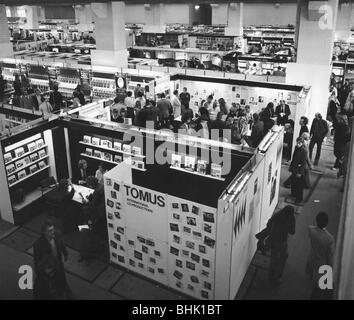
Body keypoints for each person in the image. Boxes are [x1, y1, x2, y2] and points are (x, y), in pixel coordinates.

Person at [33, 219, 70, 300]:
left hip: (58, 264)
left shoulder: (57, 234)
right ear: (44, 233)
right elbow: (36, 260)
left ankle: (63, 292)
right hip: (48, 269)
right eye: (50, 231)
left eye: (53, 229)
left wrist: (65, 253)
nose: (53, 232)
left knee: (61, 280)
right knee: (49, 287)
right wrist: (40, 272)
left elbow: (61, 243)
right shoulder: (38, 244)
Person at [306, 212, 335, 300]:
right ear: (326, 223)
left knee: (318, 283)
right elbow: (329, 256)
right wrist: (331, 268)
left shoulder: (311, 230)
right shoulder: (329, 238)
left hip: (312, 259)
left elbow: (311, 226)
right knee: (321, 288)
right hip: (322, 265)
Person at [267, 205, 296, 285]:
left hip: (273, 240)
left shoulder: (277, 215)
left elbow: (269, 224)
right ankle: (277, 277)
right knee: (282, 258)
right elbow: (292, 231)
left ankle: (271, 275)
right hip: (282, 241)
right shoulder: (291, 218)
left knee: (274, 258)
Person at [290, 137, 307, 203]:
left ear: (302, 143)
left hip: (299, 170)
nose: (297, 144)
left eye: (299, 143)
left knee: (299, 185)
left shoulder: (304, 151)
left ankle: (299, 198)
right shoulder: (296, 148)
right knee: (293, 182)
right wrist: (291, 166)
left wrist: (300, 172)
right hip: (294, 168)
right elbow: (294, 158)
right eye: (297, 142)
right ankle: (293, 194)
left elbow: (303, 163)